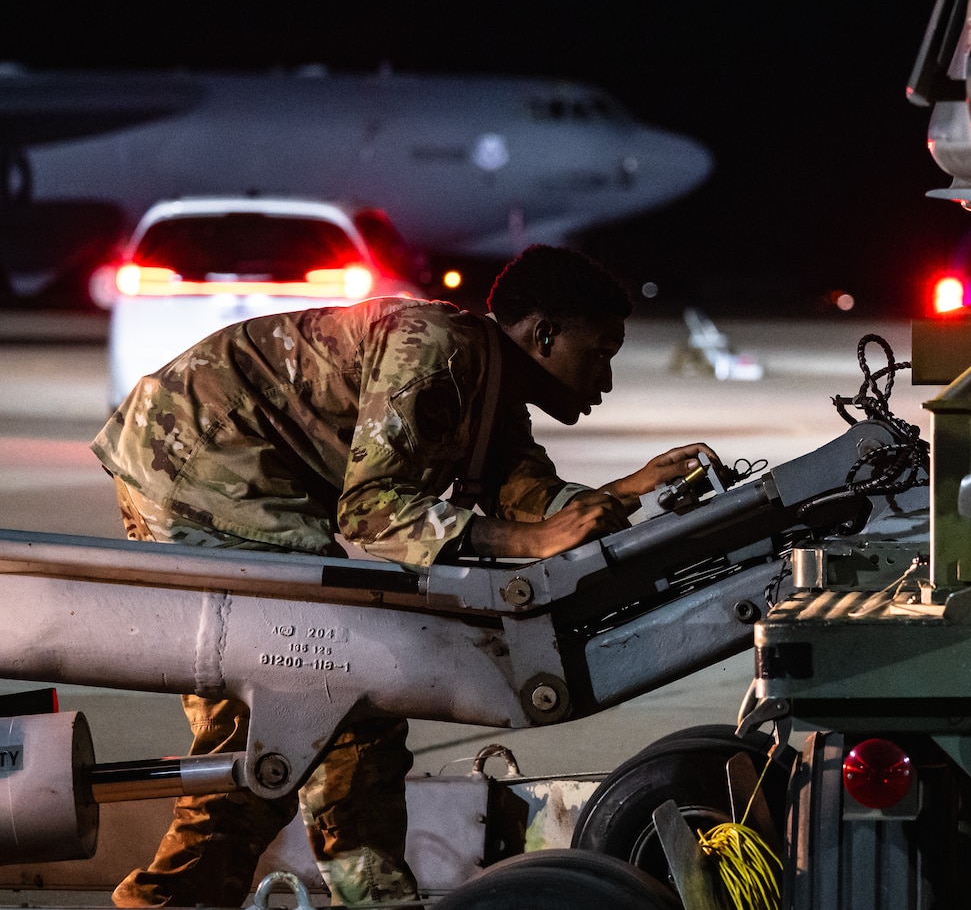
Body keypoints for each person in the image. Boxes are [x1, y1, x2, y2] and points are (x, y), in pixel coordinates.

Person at [94, 244, 716, 907]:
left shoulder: (490, 382)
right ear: (543, 334)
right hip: (199, 462)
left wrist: (623, 493)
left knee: (339, 703)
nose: (606, 381)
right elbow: (370, 511)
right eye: (599, 353)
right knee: (290, 708)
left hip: (232, 471)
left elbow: (521, 489)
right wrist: (532, 540)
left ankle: (368, 898)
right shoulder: (440, 351)